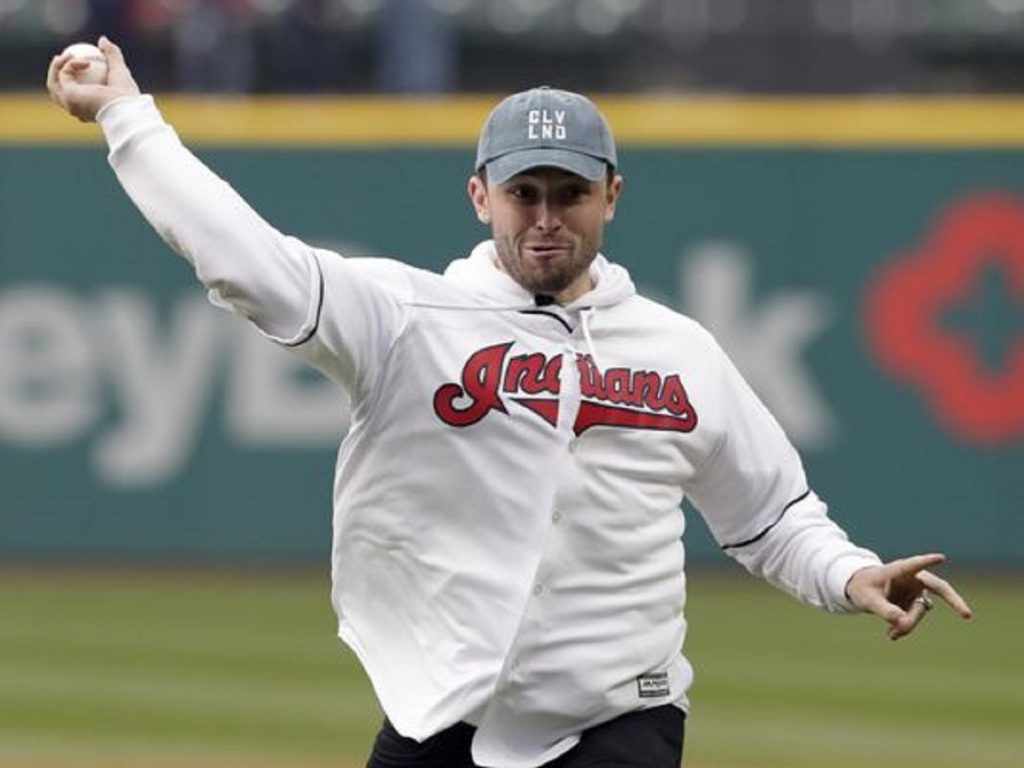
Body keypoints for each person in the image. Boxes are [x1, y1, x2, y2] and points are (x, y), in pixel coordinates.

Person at [47, 38, 973, 768]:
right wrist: (129, 116)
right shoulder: (405, 317)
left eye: (568, 192)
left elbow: (770, 516)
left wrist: (850, 577)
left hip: (623, 713)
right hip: (442, 706)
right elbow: (244, 259)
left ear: (611, 195)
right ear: (479, 194)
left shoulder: (680, 351)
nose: (544, 216)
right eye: (523, 191)